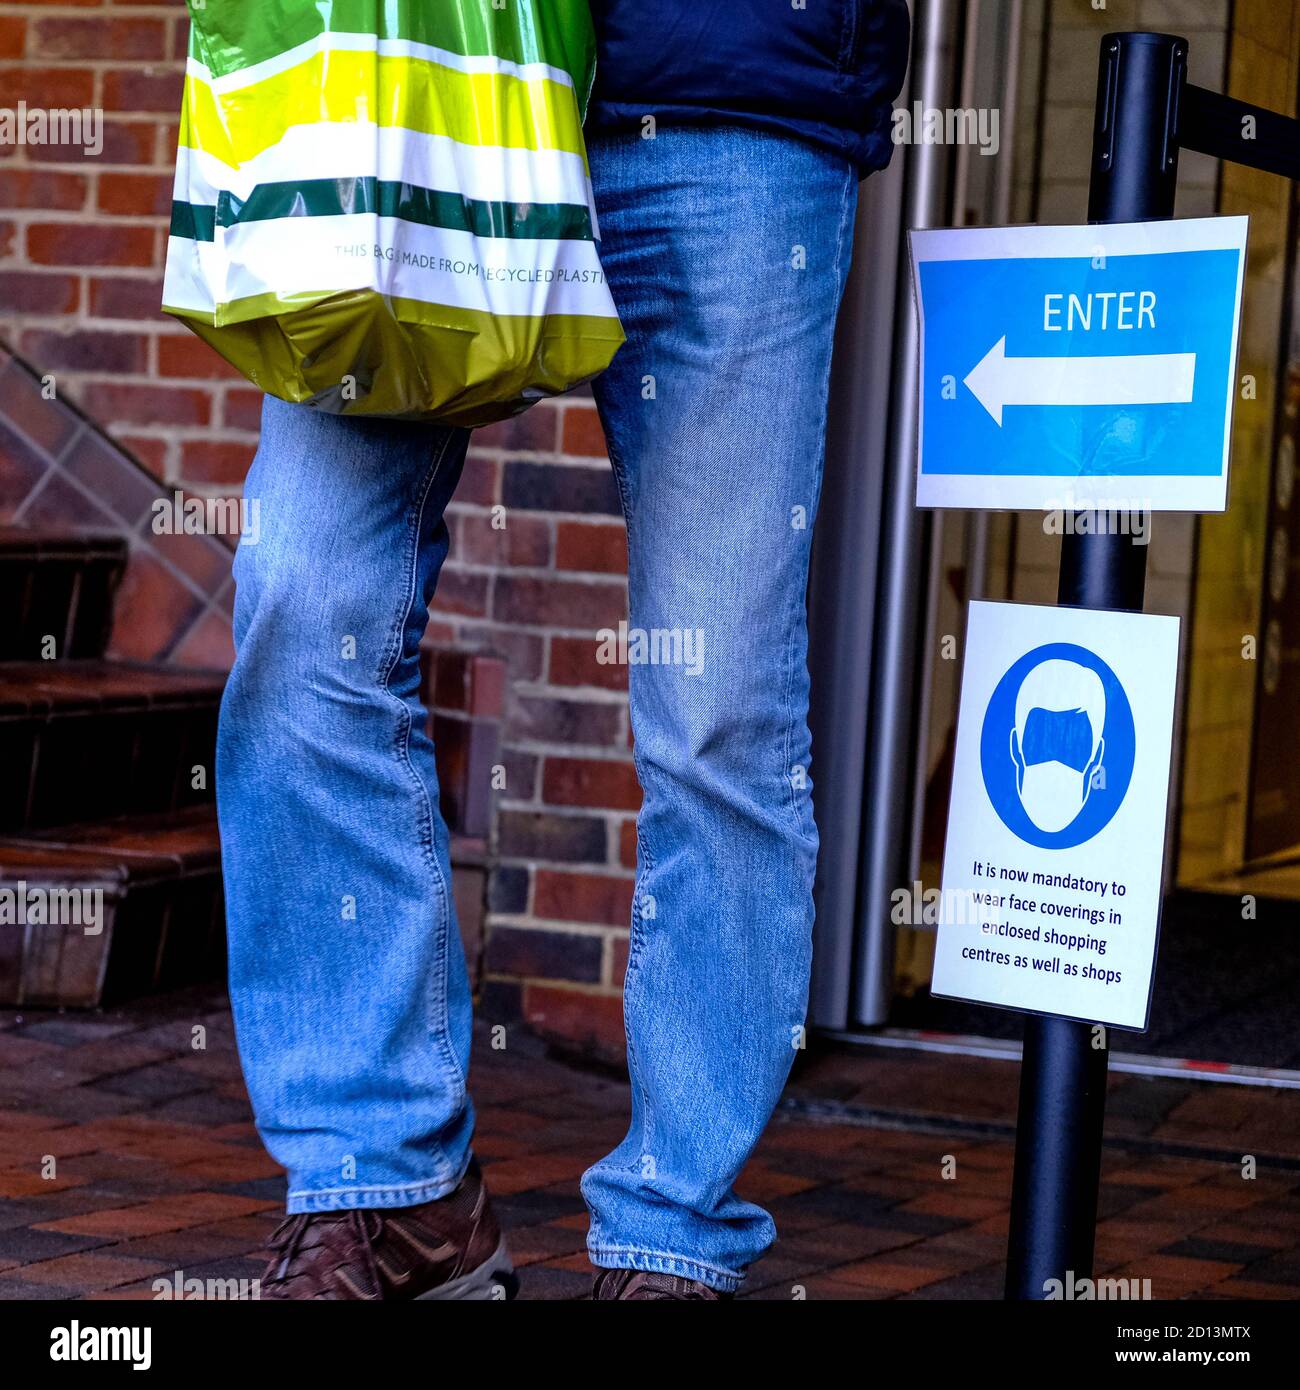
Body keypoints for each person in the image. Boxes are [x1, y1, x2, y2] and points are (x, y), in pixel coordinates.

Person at [217, 0, 910, 1301]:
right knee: (306, 595)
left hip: (728, 93)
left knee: (718, 703)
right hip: (419, 77)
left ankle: (674, 1228)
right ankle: (391, 1191)